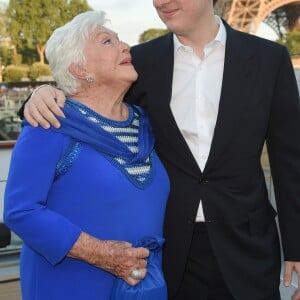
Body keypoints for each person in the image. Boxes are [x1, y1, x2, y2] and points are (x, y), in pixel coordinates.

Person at [19, 0, 300, 299]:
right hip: (169, 253)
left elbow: (290, 162)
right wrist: (40, 94)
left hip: (248, 248)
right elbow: (83, 94)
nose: (161, 2)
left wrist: (297, 247)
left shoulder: (269, 59)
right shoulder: (139, 62)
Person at [4, 10, 170, 300]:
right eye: (107, 41)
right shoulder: (50, 123)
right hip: (72, 285)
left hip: (146, 286)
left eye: (120, 39)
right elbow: (21, 210)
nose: (124, 46)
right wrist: (101, 253)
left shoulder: (145, 122)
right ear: (80, 69)